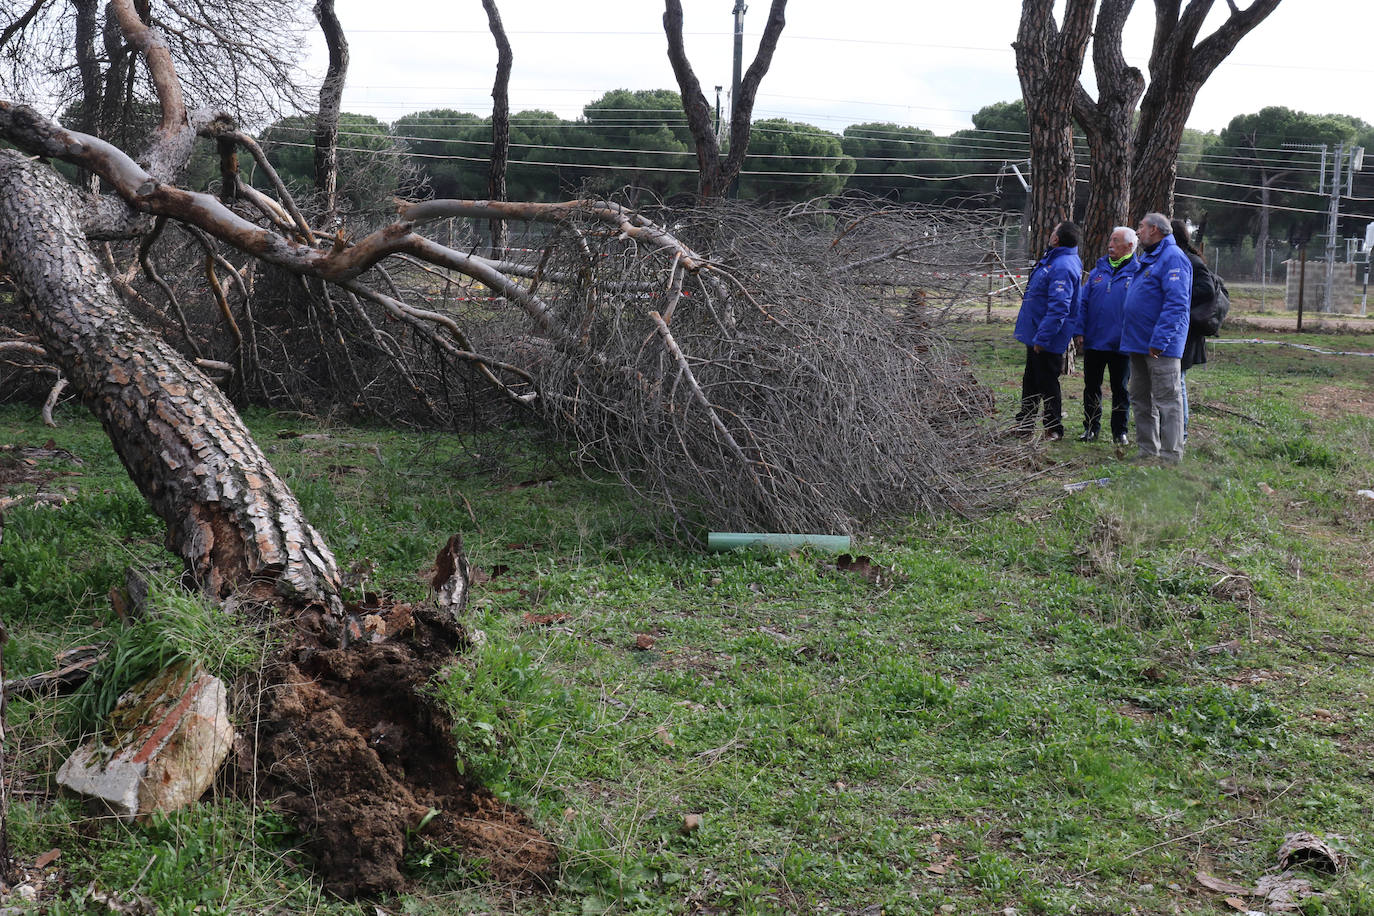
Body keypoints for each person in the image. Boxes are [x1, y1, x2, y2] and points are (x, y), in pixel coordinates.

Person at [1119, 212, 1192, 463]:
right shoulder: (1148, 258)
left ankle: (1171, 457)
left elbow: (1176, 304)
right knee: (1140, 399)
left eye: (1141, 227)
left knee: (1168, 401)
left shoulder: (1173, 258)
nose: (1137, 232)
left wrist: (1159, 340)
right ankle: (1148, 452)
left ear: (1155, 230)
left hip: (1159, 347)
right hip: (1138, 343)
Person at [1013, 220, 1083, 441]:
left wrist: (1043, 337)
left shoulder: (1063, 266)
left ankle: (1053, 428)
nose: (1051, 233)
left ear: (1056, 239)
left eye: (1054, 231)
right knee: (1031, 380)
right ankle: (1025, 424)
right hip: (1036, 332)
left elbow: (1059, 307)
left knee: (1047, 382)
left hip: (1047, 337)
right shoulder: (1053, 259)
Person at [1069, 226, 1139, 445]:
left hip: (1121, 344)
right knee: (1091, 387)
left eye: (1116, 241)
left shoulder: (1137, 272)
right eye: (1110, 240)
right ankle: (1090, 428)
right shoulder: (1098, 271)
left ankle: (1120, 432)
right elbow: (1083, 302)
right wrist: (1080, 331)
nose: (1110, 245)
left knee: (1120, 389)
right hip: (1095, 341)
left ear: (1129, 246)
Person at [1171, 219, 1210, 442]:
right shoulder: (1181, 259)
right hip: (1182, 331)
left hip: (1188, 333)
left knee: (1179, 381)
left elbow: (1206, 289)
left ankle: (1182, 433)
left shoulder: (1192, 261)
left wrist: (1179, 294)